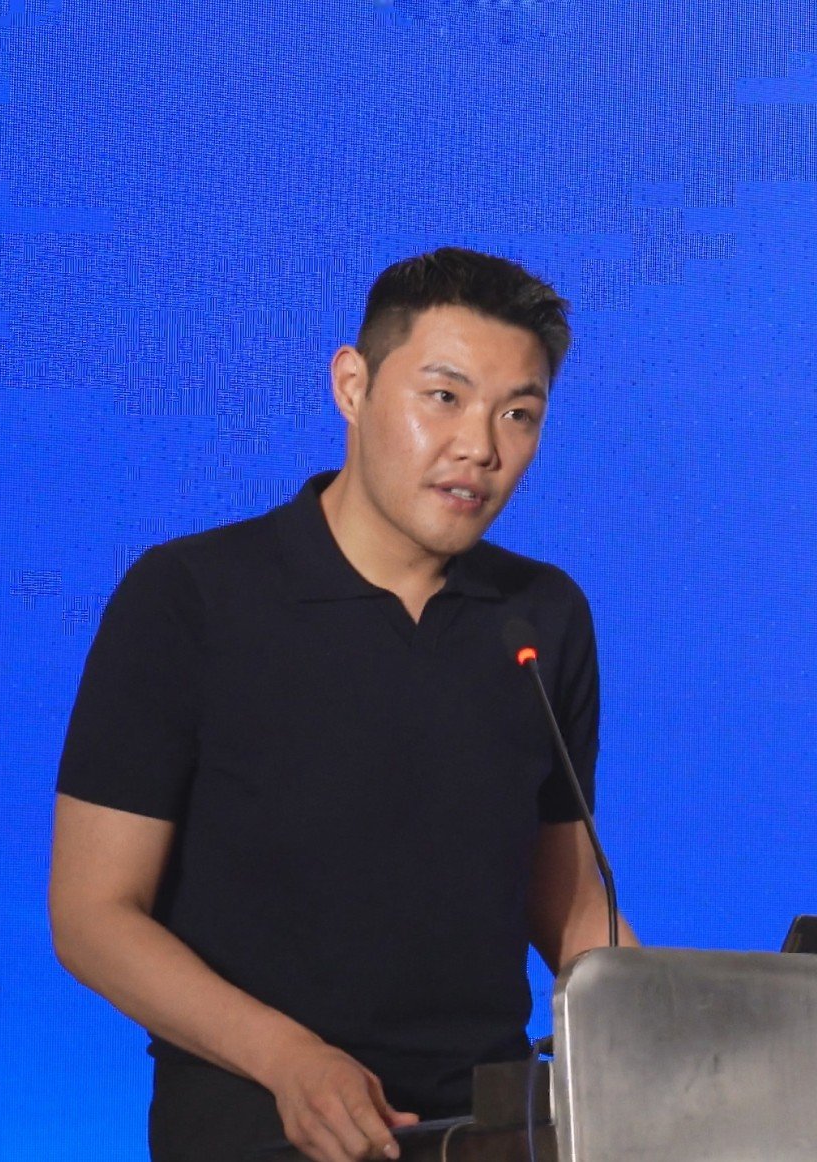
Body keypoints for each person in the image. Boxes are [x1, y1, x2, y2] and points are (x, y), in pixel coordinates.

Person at [48, 247, 637, 1162]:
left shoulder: (542, 616)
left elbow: (565, 896)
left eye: (518, 414)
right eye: (443, 397)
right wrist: (287, 1058)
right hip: (259, 1117)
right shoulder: (193, 597)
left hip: (488, 1122)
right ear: (352, 385)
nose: (479, 447)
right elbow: (93, 915)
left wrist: (680, 1028)